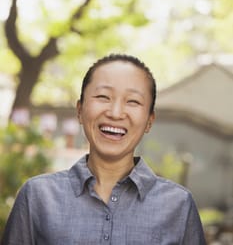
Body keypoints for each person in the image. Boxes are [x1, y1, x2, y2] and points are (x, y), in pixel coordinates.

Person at [1, 54, 206, 244]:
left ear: (149, 121)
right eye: (103, 97)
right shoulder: (37, 196)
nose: (116, 113)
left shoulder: (179, 205)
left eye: (133, 101)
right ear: (80, 110)